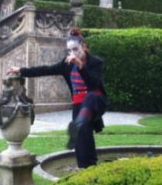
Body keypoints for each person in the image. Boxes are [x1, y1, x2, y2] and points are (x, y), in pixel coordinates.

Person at [7, 28, 107, 169]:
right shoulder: (66, 64)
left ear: (83, 46)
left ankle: (88, 162)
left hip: (96, 100)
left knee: (86, 113)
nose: (73, 53)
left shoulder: (96, 62)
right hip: (79, 104)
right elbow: (46, 69)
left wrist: (80, 66)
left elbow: (93, 84)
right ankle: (86, 167)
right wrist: (22, 70)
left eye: (76, 49)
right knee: (81, 136)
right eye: (70, 50)